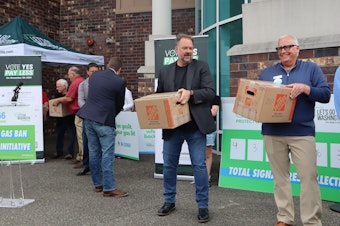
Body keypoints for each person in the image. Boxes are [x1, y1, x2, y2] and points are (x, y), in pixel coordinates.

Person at [259, 35, 330, 226]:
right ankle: (285, 218)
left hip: (302, 133)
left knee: (308, 178)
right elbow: (258, 100)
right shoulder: (266, 73)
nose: (283, 51)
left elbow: (325, 95)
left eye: (288, 47)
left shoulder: (311, 69)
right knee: (280, 179)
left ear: (298, 49)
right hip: (273, 132)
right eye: (280, 48)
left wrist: (305, 88)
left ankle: (312, 222)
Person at [156, 33, 216, 223]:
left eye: (191, 48)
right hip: (173, 128)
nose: (189, 51)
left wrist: (190, 93)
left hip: (195, 127)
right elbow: (159, 96)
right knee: (168, 166)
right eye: (185, 48)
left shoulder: (201, 67)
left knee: (199, 166)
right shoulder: (165, 71)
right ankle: (169, 201)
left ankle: (203, 206)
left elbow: (210, 92)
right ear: (177, 51)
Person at [77, 57, 128, 198]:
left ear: (107, 65)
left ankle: (98, 185)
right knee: (107, 153)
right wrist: (112, 115)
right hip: (104, 120)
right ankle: (109, 188)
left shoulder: (94, 76)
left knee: (93, 152)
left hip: (88, 117)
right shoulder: (119, 81)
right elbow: (119, 104)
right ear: (119, 70)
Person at [53, 66, 85, 166]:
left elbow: (69, 98)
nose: (69, 77)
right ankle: (80, 156)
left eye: (69, 74)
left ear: (72, 74)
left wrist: (58, 100)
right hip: (84, 112)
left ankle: (83, 158)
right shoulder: (82, 80)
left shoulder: (75, 83)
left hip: (79, 112)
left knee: (81, 137)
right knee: (81, 136)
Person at [76, 63, 100, 176]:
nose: (94, 73)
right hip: (88, 117)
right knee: (86, 142)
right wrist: (88, 110)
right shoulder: (82, 85)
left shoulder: (102, 84)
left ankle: (98, 166)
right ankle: (86, 166)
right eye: (92, 71)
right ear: (87, 72)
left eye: (96, 71)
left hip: (100, 117)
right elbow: (80, 100)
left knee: (99, 144)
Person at [52, 79, 76, 160]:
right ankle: (59, 151)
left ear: (64, 86)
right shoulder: (57, 95)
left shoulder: (70, 94)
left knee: (71, 136)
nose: (57, 88)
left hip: (69, 118)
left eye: (58, 86)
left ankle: (70, 152)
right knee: (59, 135)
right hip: (60, 119)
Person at [205, 95, 220, 187]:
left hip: (208, 126)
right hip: (195, 127)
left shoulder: (215, 97)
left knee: (208, 153)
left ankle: (206, 178)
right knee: (197, 152)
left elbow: (213, 112)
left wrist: (197, 112)